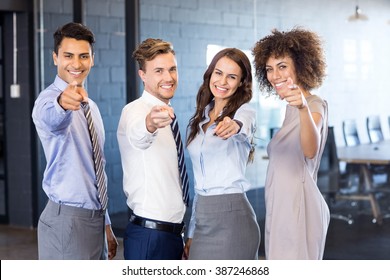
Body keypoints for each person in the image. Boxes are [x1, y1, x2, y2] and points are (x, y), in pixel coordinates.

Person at [32, 22, 118, 260]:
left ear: (92, 59)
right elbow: (51, 118)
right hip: (66, 222)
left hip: (95, 219)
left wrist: (106, 223)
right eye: (68, 56)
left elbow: (95, 170)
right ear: (55, 58)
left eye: (83, 56)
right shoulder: (48, 100)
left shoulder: (91, 107)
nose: (76, 64)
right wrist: (62, 103)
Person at [252, 27, 330, 259]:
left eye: (282, 66)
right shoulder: (290, 108)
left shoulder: (313, 104)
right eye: (269, 69)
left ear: (301, 65)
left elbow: (310, 149)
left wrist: (303, 109)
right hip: (280, 208)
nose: (275, 75)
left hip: (299, 210)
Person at [184, 48, 260, 260]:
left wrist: (234, 125)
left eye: (232, 76)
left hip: (233, 217)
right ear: (210, 74)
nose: (223, 81)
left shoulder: (244, 112)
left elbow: (244, 124)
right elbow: (200, 185)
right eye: (219, 73)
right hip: (202, 218)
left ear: (241, 82)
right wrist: (191, 232)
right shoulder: (201, 117)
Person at [117, 38, 187, 260]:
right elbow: (139, 135)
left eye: (172, 69)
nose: (168, 77)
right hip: (150, 238)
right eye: (159, 71)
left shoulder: (168, 113)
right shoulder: (135, 111)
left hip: (171, 235)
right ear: (143, 75)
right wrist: (150, 124)